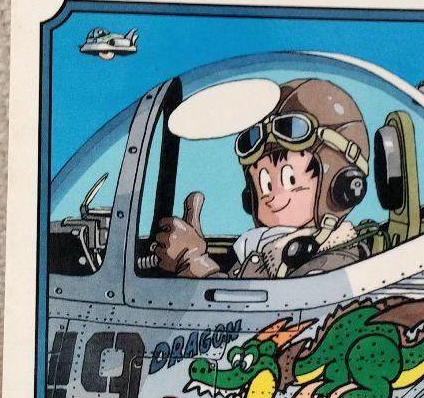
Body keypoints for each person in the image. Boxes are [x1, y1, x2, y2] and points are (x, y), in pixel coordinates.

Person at [153, 79, 370, 279]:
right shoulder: (262, 247)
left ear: (343, 188)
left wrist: (192, 261)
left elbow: (255, 304)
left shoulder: (333, 263)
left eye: (290, 180)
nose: (271, 196)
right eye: (264, 185)